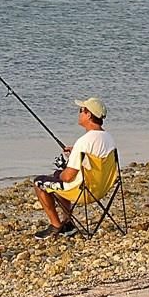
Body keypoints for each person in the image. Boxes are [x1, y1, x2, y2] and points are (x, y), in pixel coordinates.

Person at [33, 97, 116, 239]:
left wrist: (63, 171)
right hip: (101, 189)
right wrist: (75, 154)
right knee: (57, 174)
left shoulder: (83, 142)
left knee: (40, 183)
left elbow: (68, 177)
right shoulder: (109, 138)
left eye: (81, 111)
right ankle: (68, 223)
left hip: (84, 191)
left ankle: (56, 225)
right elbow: (95, 160)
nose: (79, 114)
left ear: (89, 115)